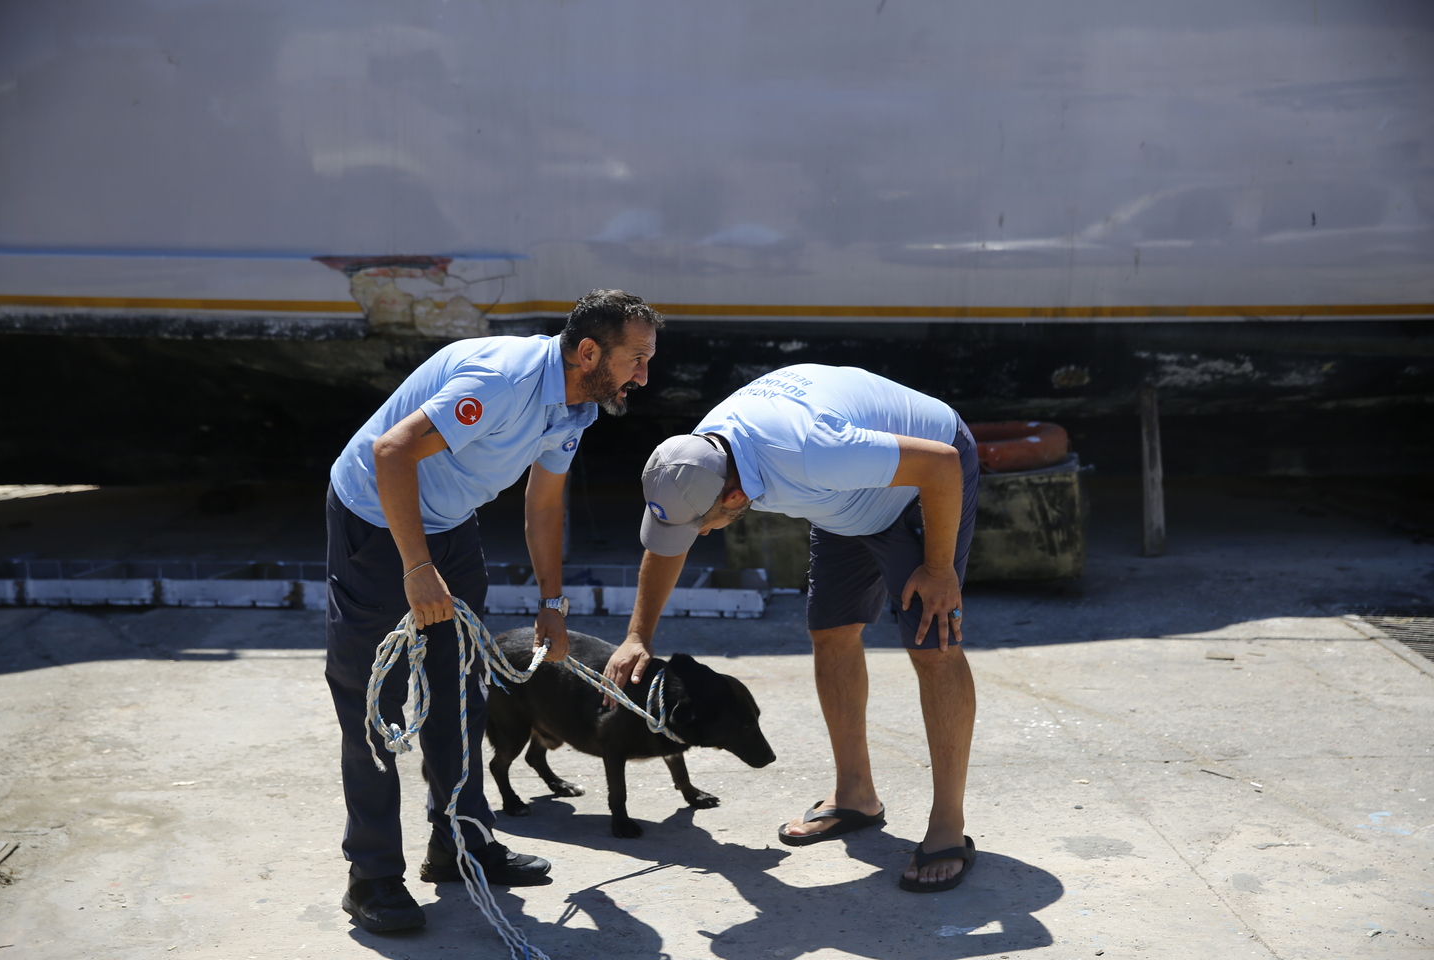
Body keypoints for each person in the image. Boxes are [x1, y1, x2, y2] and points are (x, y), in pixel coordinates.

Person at [325, 290, 661, 932]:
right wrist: (416, 569)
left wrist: (552, 604)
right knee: (375, 706)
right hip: (376, 518)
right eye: (637, 358)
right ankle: (370, 878)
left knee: (459, 690)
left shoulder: (578, 404)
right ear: (589, 351)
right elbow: (391, 452)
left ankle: (460, 844)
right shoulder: (504, 383)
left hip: (449, 524)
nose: (644, 375)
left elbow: (543, 504)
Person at [603, 363, 980, 892]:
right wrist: (638, 635)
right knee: (831, 633)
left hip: (921, 483)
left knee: (933, 643)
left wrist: (939, 570)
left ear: (734, 498)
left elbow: (940, 465)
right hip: (843, 502)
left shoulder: (811, 451)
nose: (696, 534)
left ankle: (948, 827)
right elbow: (670, 542)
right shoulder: (698, 456)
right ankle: (856, 796)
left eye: (702, 523)